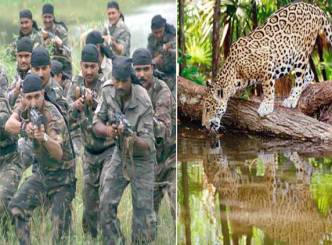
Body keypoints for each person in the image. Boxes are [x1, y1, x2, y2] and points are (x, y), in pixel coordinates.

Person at [5, 74, 76, 244]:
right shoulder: (25, 105)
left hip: (63, 179)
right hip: (43, 175)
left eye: (37, 96)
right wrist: (24, 127)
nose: (34, 101)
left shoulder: (53, 115)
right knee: (16, 208)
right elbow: (8, 125)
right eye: (29, 97)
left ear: (43, 94)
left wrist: (43, 137)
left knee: (59, 233)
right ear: (24, 97)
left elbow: (58, 153)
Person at [93, 56, 156, 244]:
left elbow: (148, 143)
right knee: (105, 203)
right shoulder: (107, 91)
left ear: (130, 79)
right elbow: (96, 123)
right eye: (116, 80)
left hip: (142, 159)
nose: (119, 85)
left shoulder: (143, 99)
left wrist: (131, 137)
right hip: (120, 154)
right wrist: (109, 131)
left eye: (123, 81)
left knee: (142, 215)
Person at [68, 44, 115, 238]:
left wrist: (96, 105)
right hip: (88, 153)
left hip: (109, 152)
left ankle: (112, 238)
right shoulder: (75, 85)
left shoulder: (107, 86)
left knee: (106, 198)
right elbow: (65, 119)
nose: (88, 71)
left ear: (99, 65)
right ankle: (91, 239)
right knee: (89, 205)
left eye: (92, 66)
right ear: (80, 65)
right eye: (85, 66)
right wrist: (76, 106)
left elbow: (114, 117)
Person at [132, 48, 176, 221]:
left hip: (170, 159)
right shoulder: (131, 91)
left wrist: (143, 117)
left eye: (145, 69)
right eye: (137, 70)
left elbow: (163, 131)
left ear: (152, 68)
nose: (142, 74)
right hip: (149, 164)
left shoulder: (161, 91)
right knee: (146, 220)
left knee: (177, 210)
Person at [0, 70, 22, 237]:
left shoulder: (2, 104)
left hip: (9, 159)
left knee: (2, 199)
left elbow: (6, 124)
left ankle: (6, 235)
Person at [41, 3, 72, 77]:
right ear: (42, 17)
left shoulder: (61, 31)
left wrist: (60, 45)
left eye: (50, 17)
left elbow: (69, 53)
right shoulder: (40, 33)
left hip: (63, 68)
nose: (47, 20)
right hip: (45, 69)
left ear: (53, 17)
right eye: (45, 17)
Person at [147, 15, 176, 94]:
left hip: (173, 73)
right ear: (152, 30)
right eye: (156, 32)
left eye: (160, 32)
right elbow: (148, 56)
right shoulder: (151, 38)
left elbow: (179, 53)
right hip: (159, 74)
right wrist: (154, 60)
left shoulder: (172, 36)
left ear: (164, 28)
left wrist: (169, 50)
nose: (158, 35)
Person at [8, 37, 33, 107]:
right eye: (20, 56)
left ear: (32, 56)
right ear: (16, 57)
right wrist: (15, 93)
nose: (23, 60)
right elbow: (5, 99)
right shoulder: (17, 74)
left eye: (27, 56)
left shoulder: (36, 73)